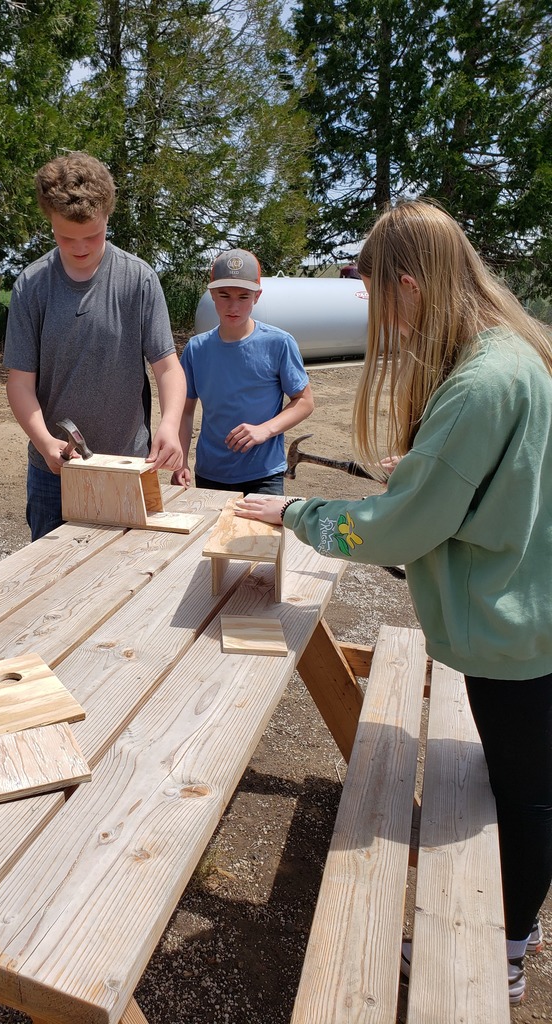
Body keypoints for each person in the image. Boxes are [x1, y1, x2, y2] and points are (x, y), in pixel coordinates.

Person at [235, 200, 552, 1006]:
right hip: (530, 608)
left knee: (527, 793)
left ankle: (507, 948)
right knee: (521, 774)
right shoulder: (511, 353)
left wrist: (298, 514)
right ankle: (522, 919)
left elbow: (401, 530)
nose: (380, 318)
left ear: (409, 286)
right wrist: (431, 463)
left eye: (378, 299)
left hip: (515, 632)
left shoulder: (480, 381)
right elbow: (499, 472)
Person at [3, 151, 185, 540]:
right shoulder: (32, 286)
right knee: (49, 580)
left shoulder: (139, 279)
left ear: (108, 217)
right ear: (49, 222)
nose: (81, 247)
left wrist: (170, 426)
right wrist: (44, 440)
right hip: (55, 470)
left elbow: (168, 367)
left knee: (126, 577)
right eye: (66, 237)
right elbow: (19, 382)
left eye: (93, 235)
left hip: (129, 464)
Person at [172, 248, 314, 495]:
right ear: (212, 294)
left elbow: (304, 402)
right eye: (224, 295)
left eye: (244, 297)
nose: (233, 306)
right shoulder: (196, 349)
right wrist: (181, 460)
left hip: (264, 475)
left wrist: (264, 430)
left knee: (260, 536)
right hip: (209, 474)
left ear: (257, 297)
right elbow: (184, 412)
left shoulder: (279, 343)